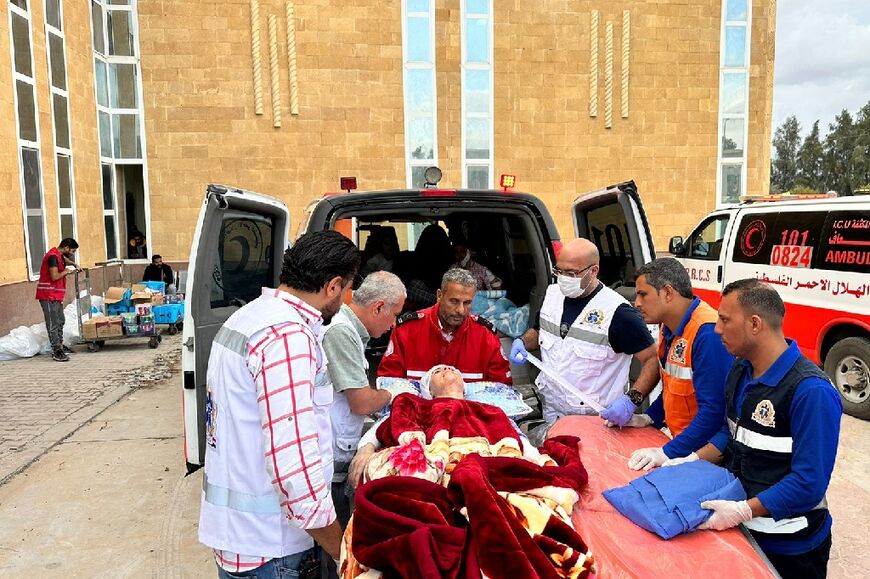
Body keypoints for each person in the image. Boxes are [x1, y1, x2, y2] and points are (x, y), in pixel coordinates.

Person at [198, 230, 360, 578]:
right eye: (345, 290)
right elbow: (293, 469)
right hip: (272, 548)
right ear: (332, 286)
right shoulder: (287, 337)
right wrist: (341, 550)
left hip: (238, 538)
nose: (344, 300)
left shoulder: (248, 317)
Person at [680, 279, 841, 579]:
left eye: (725, 320)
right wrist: (687, 460)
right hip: (741, 533)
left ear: (755, 324)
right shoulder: (741, 370)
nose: (717, 329)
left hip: (790, 547)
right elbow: (732, 434)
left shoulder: (810, 392)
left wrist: (744, 509)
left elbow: (809, 483)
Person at [510, 238, 659, 425]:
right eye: (559, 271)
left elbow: (653, 359)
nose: (563, 278)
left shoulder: (618, 313)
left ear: (593, 271)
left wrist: (631, 400)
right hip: (552, 413)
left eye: (571, 273)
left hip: (596, 421)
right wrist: (523, 341)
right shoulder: (552, 295)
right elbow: (541, 331)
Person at [617, 258, 735, 470]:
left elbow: (714, 412)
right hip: (682, 441)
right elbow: (675, 387)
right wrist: (649, 418)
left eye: (643, 294)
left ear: (668, 293)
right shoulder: (668, 326)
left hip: (704, 454)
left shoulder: (706, 333)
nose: (637, 303)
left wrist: (666, 453)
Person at [323, 270, 408, 528]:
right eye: (394, 316)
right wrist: (391, 393)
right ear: (379, 307)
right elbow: (361, 402)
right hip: (327, 466)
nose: (393, 325)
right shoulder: (341, 332)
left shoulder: (350, 332)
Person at [378, 268, 511, 384]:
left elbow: (502, 390)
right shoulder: (407, 331)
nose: (461, 310)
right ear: (439, 296)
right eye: (454, 301)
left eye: (467, 303)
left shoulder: (485, 335)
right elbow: (389, 385)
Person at [35, 238, 79, 362]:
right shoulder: (52, 257)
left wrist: (74, 264)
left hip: (56, 295)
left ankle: (59, 344)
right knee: (53, 323)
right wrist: (65, 272)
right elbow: (54, 276)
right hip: (48, 295)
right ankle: (56, 350)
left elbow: (64, 260)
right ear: (66, 248)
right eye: (72, 251)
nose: (72, 253)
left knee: (60, 320)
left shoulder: (58, 255)